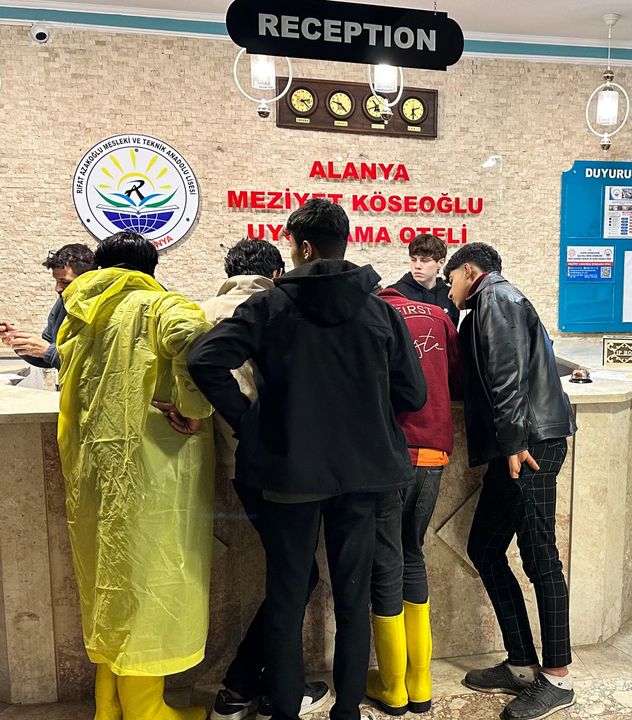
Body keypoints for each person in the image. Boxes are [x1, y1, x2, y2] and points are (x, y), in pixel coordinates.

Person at [188, 198, 426, 720]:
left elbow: (205, 360)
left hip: (289, 472)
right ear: (344, 243)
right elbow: (413, 394)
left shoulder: (269, 307)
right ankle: (347, 713)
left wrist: (248, 420)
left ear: (303, 247)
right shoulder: (381, 311)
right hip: (364, 474)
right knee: (353, 599)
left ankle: (285, 712)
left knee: (287, 598)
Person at [54, 230, 215, 720]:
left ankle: (108, 707)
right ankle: (147, 712)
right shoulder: (160, 306)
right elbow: (197, 342)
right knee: (149, 581)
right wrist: (194, 407)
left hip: (93, 469)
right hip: (152, 470)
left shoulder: (81, 312)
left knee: (110, 583)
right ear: (151, 268)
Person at [443, 243, 577, 720]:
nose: (450, 289)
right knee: (484, 548)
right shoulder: (491, 302)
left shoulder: (495, 298)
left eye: (451, 279)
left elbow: (507, 374)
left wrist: (515, 441)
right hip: (517, 447)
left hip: (529, 448)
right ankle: (521, 663)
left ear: (469, 271)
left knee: (541, 560)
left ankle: (557, 679)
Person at [199, 239, 331, 720]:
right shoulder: (280, 307)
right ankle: (251, 688)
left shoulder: (201, 311)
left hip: (236, 465)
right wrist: (250, 422)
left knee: (292, 574)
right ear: (276, 272)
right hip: (281, 462)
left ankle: (248, 686)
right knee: (299, 576)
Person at [364, 283, 462, 716]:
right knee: (412, 553)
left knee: (385, 561)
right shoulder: (438, 315)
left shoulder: (370, 317)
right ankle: (420, 683)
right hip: (434, 452)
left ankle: (393, 687)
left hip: (390, 456)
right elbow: (456, 378)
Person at [0, 242, 95, 368]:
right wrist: (20, 342)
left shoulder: (103, 308)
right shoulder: (62, 304)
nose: (57, 289)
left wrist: (48, 351)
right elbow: (47, 354)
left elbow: (95, 364)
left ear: (89, 279)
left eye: (65, 282)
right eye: (56, 281)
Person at [390, 233, 459, 326]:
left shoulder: (450, 296)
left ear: (440, 263)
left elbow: (452, 332)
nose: (417, 266)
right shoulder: (394, 293)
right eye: (413, 260)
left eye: (424, 260)